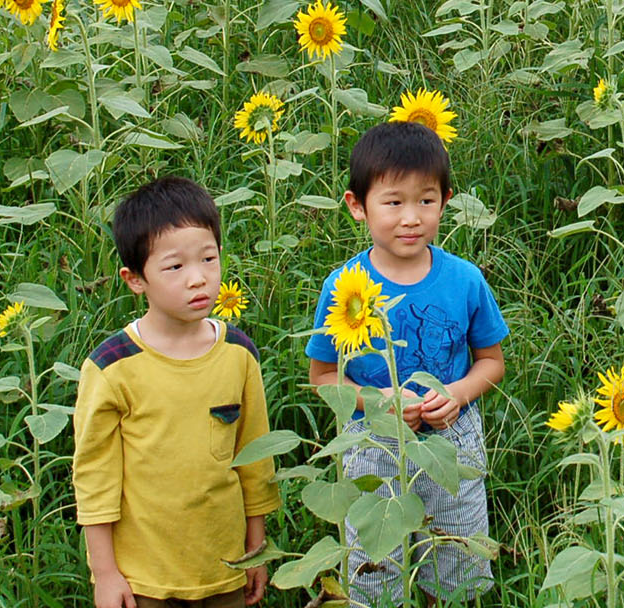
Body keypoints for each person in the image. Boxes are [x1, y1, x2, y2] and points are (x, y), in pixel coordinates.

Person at [307, 122, 507, 606]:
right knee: (375, 563)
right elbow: (324, 377)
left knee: (456, 558)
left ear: (445, 201)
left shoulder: (464, 279)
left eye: (426, 200)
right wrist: (379, 401)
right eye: (394, 202)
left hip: (450, 440)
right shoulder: (343, 286)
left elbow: (491, 362)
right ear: (358, 206)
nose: (411, 217)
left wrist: (457, 394)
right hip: (371, 442)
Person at [73, 177, 280, 608]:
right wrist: (106, 573)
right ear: (134, 279)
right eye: (175, 267)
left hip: (226, 570)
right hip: (145, 579)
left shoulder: (238, 354)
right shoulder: (112, 366)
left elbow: (255, 456)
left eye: (209, 258)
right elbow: (96, 479)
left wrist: (257, 549)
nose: (198, 279)